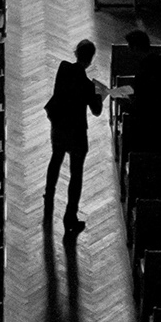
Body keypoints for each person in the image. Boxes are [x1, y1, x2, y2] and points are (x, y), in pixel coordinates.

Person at [44, 39, 104, 237]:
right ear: (91, 59)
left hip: (59, 125)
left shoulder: (63, 68)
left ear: (76, 53)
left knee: (56, 158)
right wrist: (99, 96)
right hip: (77, 131)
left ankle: (49, 194)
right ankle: (70, 217)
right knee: (76, 174)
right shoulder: (88, 86)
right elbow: (96, 111)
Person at [122, 30, 161, 152]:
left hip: (148, 122)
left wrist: (126, 104)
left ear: (135, 47)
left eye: (130, 46)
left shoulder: (144, 69)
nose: (128, 50)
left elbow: (144, 102)